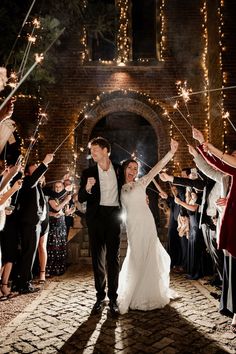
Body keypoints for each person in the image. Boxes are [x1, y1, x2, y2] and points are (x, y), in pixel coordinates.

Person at [117, 138, 178, 314]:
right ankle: (133, 292)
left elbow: (156, 168)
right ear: (124, 169)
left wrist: (171, 153)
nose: (133, 171)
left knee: (150, 253)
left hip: (147, 221)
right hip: (132, 225)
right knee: (136, 254)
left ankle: (150, 293)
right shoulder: (118, 187)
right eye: (130, 168)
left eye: (135, 169)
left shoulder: (141, 183)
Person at [78, 137, 122, 315]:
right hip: (96, 218)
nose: (92, 153)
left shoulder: (119, 169)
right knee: (97, 259)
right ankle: (99, 297)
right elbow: (81, 197)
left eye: (95, 149)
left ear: (105, 150)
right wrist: (87, 188)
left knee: (113, 259)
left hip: (114, 216)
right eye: (91, 150)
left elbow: (128, 187)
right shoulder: (87, 172)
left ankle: (113, 298)